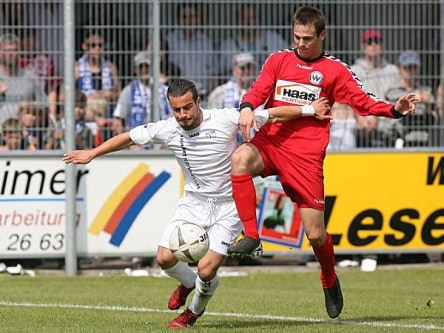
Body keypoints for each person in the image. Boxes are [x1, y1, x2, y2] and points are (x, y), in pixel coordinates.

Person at [62, 78, 331, 328]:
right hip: (193, 203)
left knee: (207, 268)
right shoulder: (167, 128)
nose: (183, 115)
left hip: (229, 206)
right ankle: (187, 282)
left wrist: (309, 109)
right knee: (164, 258)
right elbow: (129, 137)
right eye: (176, 109)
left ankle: (193, 312)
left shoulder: (224, 118)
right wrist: (93, 153)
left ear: (198, 102)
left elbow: (270, 113)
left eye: (187, 107)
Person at [226, 6, 417, 320]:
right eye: (297, 37)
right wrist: (247, 107)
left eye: (308, 38)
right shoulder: (278, 60)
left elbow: (363, 102)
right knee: (240, 158)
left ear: (322, 35)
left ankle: (328, 276)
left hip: (306, 159)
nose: (301, 43)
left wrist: (393, 110)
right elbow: (258, 91)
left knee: (315, 235)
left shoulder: (334, 70)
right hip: (271, 144)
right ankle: (251, 235)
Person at [351, 29, 402, 148]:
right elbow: (349, 99)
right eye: (369, 42)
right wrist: (360, 119)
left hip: (388, 132)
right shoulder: (354, 71)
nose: (373, 45)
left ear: (382, 46)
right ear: (363, 47)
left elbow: (397, 99)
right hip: (362, 132)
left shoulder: (393, 71)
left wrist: (377, 117)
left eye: (377, 41)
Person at [218, 3, 288, 77]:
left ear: (259, 20)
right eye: (244, 19)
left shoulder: (273, 40)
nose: (249, 22)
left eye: (253, 18)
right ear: (238, 21)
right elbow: (220, 74)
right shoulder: (229, 45)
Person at [385, 50, 436, 147]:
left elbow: (433, 121)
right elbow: (390, 120)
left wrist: (427, 105)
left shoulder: (425, 92)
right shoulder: (392, 92)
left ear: (418, 69)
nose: (410, 71)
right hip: (399, 142)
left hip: (422, 143)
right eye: (407, 67)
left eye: (413, 67)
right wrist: (414, 97)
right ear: (399, 68)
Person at [112, 51, 171, 136]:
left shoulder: (165, 90)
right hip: (136, 142)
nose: (144, 70)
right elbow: (118, 119)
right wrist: (129, 145)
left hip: (162, 141)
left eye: (147, 66)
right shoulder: (128, 91)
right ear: (135, 69)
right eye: (141, 67)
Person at [165, 4, 217, 97]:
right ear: (178, 20)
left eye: (192, 17)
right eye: (184, 17)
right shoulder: (170, 40)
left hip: (202, 96)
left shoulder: (206, 42)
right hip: (178, 96)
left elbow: (213, 73)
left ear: (197, 19)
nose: (188, 20)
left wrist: (212, 95)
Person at [0, 33, 48, 127]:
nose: (11, 54)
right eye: (7, 51)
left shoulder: (30, 77)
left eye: (14, 51)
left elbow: (44, 108)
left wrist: (34, 120)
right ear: (1, 53)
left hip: (23, 137)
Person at [75, 30, 121, 118]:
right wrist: (85, 96)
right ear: (84, 46)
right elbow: (64, 95)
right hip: (86, 118)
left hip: (107, 116)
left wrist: (108, 95)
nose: (97, 48)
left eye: (100, 45)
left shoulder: (111, 67)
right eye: (93, 45)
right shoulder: (77, 68)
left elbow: (119, 94)